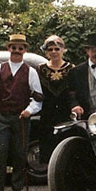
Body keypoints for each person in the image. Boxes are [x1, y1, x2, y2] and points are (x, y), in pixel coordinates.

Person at [0, 34, 44, 191]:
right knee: (0, 154)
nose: (16, 51)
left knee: (19, 153)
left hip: (21, 118)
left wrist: (29, 111)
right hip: (2, 117)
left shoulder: (30, 71)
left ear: (25, 50)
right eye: (14, 48)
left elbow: (38, 98)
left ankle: (17, 187)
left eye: (20, 48)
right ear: (8, 48)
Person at [35, 35, 75, 164]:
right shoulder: (41, 69)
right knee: (48, 146)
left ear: (63, 50)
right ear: (46, 52)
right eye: (50, 49)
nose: (54, 52)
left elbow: (74, 91)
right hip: (47, 113)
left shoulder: (71, 69)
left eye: (57, 49)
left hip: (66, 112)